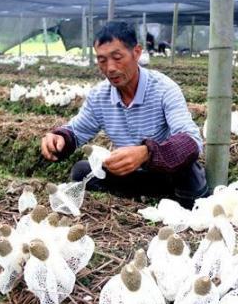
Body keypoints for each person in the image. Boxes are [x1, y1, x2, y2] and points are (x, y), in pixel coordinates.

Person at [41, 21, 208, 208]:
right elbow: (76, 130)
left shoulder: (164, 89)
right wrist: (60, 138)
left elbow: (191, 141)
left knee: (189, 172)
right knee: (82, 171)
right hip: (130, 174)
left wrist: (146, 153)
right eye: (102, 60)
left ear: (136, 53)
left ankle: (173, 200)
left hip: (164, 172)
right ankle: (143, 197)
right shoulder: (99, 96)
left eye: (117, 57)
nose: (110, 68)